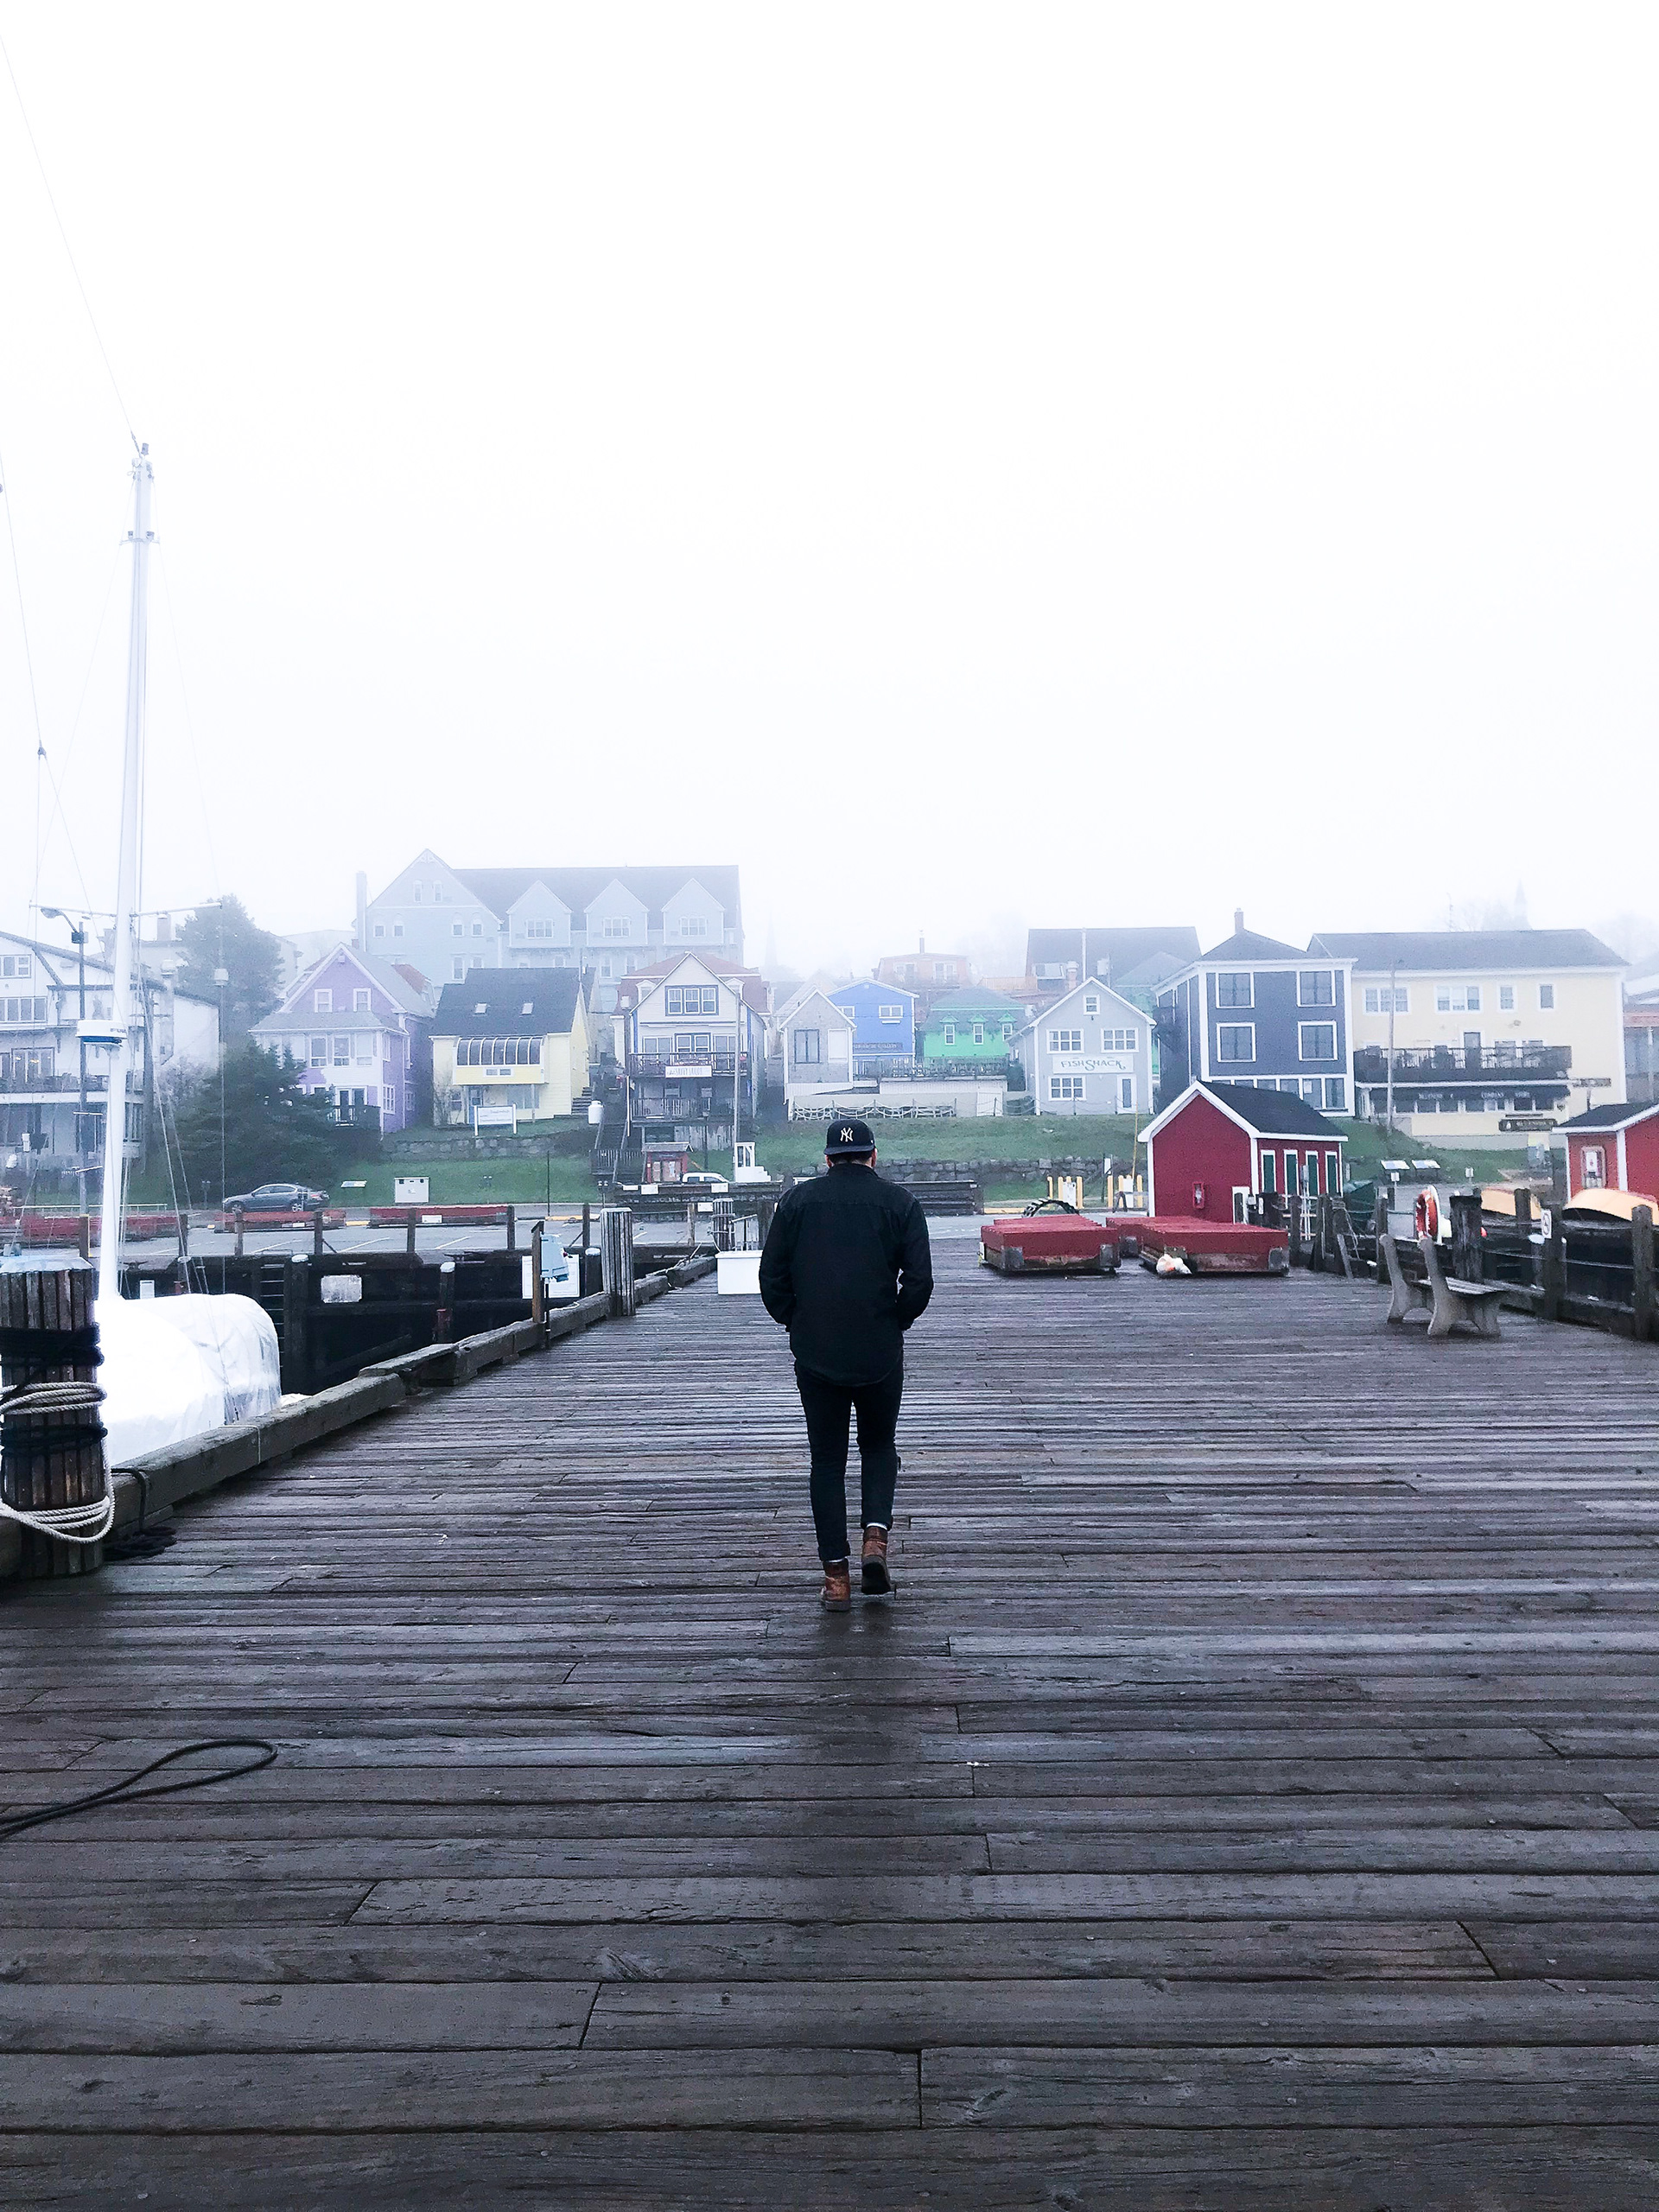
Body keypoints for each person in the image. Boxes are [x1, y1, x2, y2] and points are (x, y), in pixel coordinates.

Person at [758, 1117, 933, 1609]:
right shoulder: (901, 1204)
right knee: (879, 1447)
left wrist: (796, 1320)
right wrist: (893, 1321)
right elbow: (919, 1283)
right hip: (878, 1349)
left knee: (827, 1461)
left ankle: (836, 1579)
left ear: (828, 1158)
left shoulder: (796, 1203)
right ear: (873, 1157)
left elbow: (771, 1277)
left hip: (816, 1353)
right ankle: (875, 1539)